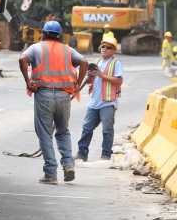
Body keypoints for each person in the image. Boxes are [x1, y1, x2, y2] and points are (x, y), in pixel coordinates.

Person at [18, 20, 88, 184]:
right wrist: (77, 83)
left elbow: (22, 59)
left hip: (44, 94)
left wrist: (28, 82)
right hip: (64, 96)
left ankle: (51, 173)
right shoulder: (68, 50)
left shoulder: (36, 47)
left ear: (43, 33)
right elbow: (84, 62)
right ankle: (69, 165)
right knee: (63, 132)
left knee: (45, 134)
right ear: (60, 35)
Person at [76, 32, 124, 161]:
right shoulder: (98, 62)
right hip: (94, 102)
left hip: (108, 102)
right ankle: (82, 153)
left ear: (113, 50)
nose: (104, 49)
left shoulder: (116, 63)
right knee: (87, 128)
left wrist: (101, 75)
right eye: (103, 46)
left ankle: (106, 155)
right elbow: (94, 81)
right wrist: (91, 76)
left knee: (107, 130)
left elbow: (119, 81)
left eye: (108, 47)